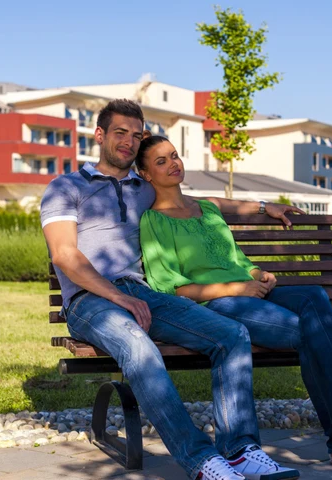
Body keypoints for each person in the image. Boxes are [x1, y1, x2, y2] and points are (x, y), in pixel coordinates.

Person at [41, 99, 303, 480]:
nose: (129, 142)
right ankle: (201, 461)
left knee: (232, 335)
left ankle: (240, 450)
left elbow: (202, 203)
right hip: (90, 301)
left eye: (136, 135)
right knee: (139, 347)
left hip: (143, 295)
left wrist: (263, 206)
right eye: (119, 133)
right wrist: (118, 297)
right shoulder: (65, 187)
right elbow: (65, 255)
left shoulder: (142, 188)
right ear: (99, 135)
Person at [136, 136, 332, 475]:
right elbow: (172, 287)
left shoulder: (207, 209)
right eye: (161, 161)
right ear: (145, 174)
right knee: (308, 332)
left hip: (251, 292)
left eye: (174, 155)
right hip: (219, 304)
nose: (173, 163)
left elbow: (235, 258)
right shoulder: (154, 221)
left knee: (314, 296)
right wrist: (237, 287)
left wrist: (257, 273)